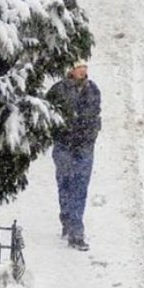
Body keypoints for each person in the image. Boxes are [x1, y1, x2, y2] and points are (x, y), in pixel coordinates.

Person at [47, 60, 102, 251]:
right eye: (79, 67)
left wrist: (91, 134)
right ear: (71, 69)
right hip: (65, 145)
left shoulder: (92, 90)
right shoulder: (58, 91)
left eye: (85, 67)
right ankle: (67, 218)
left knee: (80, 186)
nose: (83, 70)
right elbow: (49, 116)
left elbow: (95, 115)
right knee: (66, 183)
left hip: (85, 146)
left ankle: (76, 228)